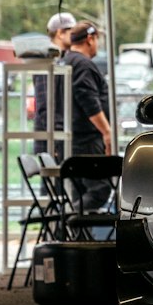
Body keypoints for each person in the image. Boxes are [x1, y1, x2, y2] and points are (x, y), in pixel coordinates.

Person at [61, 21, 114, 211]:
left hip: (74, 138)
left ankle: (77, 236)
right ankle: (66, 221)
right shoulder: (83, 65)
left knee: (80, 192)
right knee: (100, 190)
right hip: (87, 140)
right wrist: (106, 132)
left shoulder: (66, 61)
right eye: (97, 39)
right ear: (90, 39)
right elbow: (88, 100)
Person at [33, 11, 76, 155]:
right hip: (50, 142)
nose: (75, 37)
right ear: (60, 33)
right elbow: (45, 106)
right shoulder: (47, 60)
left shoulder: (63, 60)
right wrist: (56, 142)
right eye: (72, 32)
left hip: (59, 138)